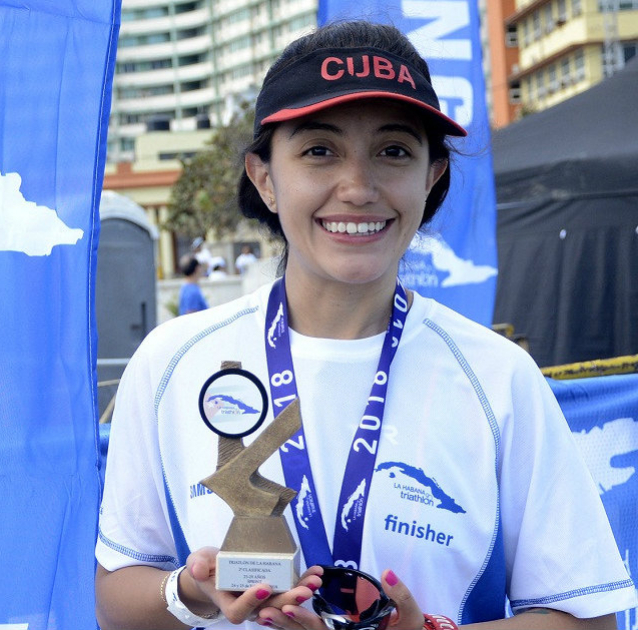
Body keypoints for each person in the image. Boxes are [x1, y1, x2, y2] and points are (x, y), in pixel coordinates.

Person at [96, 20, 635, 630]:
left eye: (394, 151)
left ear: (431, 179)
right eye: (319, 150)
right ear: (265, 177)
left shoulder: (498, 376)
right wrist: (192, 592)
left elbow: (588, 618)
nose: (357, 188)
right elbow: (115, 598)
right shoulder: (173, 360)